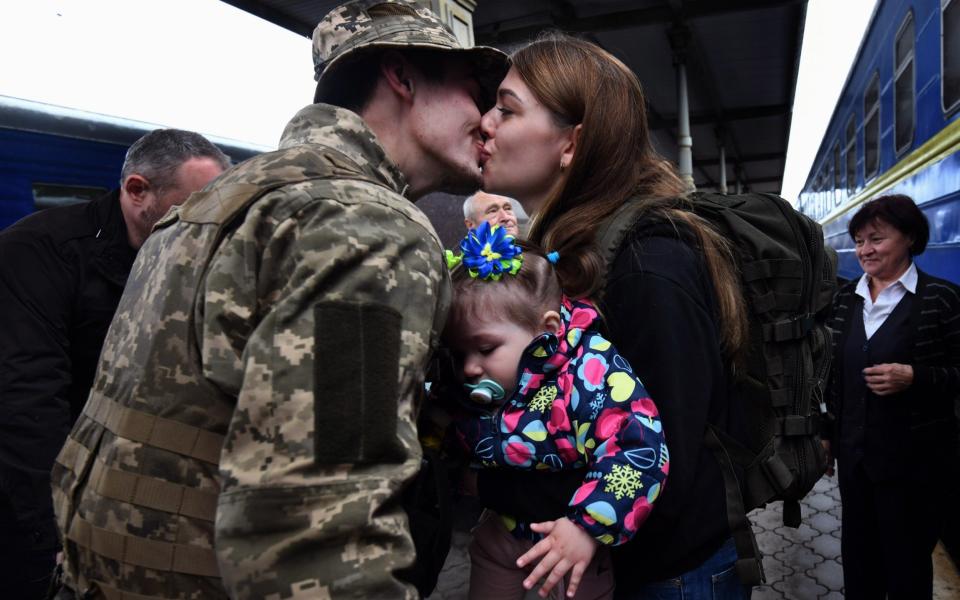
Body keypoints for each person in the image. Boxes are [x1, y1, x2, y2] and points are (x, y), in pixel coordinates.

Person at [48, 1, 507, 599]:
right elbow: (320, 523)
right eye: (477, 93)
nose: (489, 120)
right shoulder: (365, 225)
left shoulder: (225, 199)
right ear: (402, 76)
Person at [473, 33, 753, 599]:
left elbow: (657, 453)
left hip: (671, 577)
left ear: (572, 144)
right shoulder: (566, 249)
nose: (484, 123)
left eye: (506, 108)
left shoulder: (648, 262)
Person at [0, 128, 228, 599]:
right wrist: (56, 531)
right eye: (190, 206)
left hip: (109, 498)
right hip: (31, 497)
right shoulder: (39, 251)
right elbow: (26, 401)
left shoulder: (182, 258)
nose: (204, 223)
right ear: (137, 190)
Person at [443, 223, 668, 599]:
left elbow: (639, 447)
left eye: (484, 349)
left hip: (569, 542)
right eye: (459, 353)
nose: (469, 368)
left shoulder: (590, 371)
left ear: (544, 329)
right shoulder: (485, 382)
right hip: (500, 534)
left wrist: (587, 525)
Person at [823, 194, 960, 599]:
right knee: (860, 566)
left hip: (916, 466)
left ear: (909, 238)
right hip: (856, 462)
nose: (865, 250)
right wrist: (826, 432)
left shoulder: (942, 300)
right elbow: (832, 376)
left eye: (876, 239)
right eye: (860, 240)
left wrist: (916, 376)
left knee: (907, 569)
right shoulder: (845, 300)